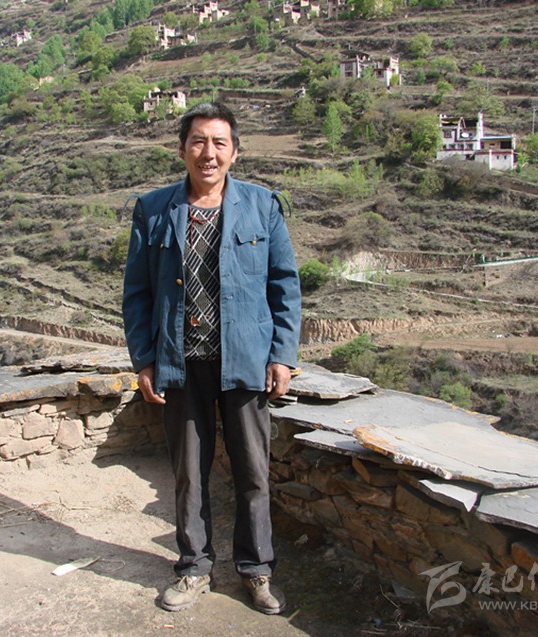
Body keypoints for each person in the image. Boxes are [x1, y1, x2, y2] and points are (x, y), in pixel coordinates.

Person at [122, 102, 301, 615]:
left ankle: (256, 569)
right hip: (181, 362)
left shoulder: (262, 206)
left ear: (235, 152)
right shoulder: (153, 210)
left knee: (253, 472)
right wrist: (144, 360)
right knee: (188, 475)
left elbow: (284, 285)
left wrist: (282, 355)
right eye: (198, 141)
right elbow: (137, 293)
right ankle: (194, 567)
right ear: (182, 149)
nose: (208, 152)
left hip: (245, 360)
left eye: (219, 142)